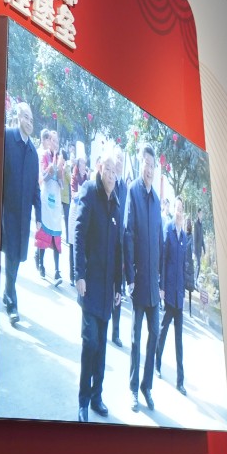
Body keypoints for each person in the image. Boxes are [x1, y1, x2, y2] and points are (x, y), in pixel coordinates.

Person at [72, 143, 125, 422]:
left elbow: (118, 248)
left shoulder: (116, 204)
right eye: (108, 169)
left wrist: (119, 285)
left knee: (102, 346)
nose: (112, 175)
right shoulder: (89, 193)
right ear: (100, 168)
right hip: (90, 284)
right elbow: (79, 234)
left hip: (107, 290)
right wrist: (78, 274)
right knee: (90, 342)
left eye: (115, 171)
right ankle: (83, 399)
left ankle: (96, 397)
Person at [122, 144, 165, 411]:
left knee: (155, 334)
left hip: (153, 285)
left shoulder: (157, 201)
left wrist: (160, 281)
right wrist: (130, 276)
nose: (149, 170)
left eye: (152, 165)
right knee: (136, 338)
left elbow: (159, 241)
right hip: (138, 281)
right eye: (145, 164)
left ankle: (146, 386)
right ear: (140, 164)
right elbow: (128, 235)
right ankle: (133, 389)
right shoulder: (133, 192)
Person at [0, 102, 41, 327]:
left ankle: (8, 294)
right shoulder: (7, 137)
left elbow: (35, 188)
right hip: (5, 211)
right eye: (25, 116)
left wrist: (39, 215)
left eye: (31, 119)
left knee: (14, 258)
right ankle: (11, 302)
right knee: (8, 256)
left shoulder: (33, 153)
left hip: (23, 217)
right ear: (17, 117)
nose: (29, 121)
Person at [157, 196, 190, 394]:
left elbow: (184, 267)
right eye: (176, 209)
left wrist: (184, 291)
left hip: (179, 295)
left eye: (181, 209)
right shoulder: (168, 229)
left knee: (179, 340)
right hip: (168, 292)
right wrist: (161, 287)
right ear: (174, 211)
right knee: (163, 330)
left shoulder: (184, 237)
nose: (179, 212)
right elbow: (163, 260)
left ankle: (180, 381)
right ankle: (157, 363)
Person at [34, 129, 66, 286]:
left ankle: (57, 271)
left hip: (56, 201)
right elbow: (44, 177)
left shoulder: (60, 159)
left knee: (55, 233)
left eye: (57, 141)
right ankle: (41, 264)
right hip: (46, 199)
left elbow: (62, 183)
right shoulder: (44, 156)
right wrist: (51, 168)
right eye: (53, 140)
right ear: (49, 142)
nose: (55, 143)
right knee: (44, 232)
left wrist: (60, 171)